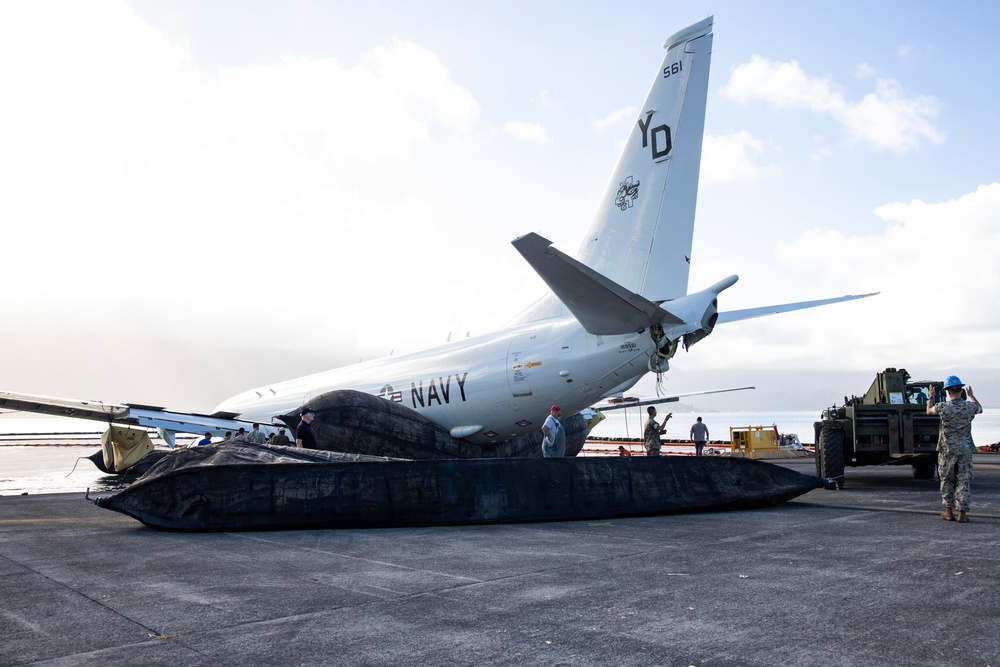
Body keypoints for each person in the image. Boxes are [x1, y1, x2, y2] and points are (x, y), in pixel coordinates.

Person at [927, 375, 982, 523]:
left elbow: (928, 411)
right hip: (965, 449)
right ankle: (962, 513)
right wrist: (971, 396)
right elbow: (980, 408)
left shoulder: (942, 407)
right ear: (961, 390)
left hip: (947, 450)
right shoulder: (969, 406)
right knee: (963, 480)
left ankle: (948, 511)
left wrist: (931, 397)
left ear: (947, 391)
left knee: (947, 479)